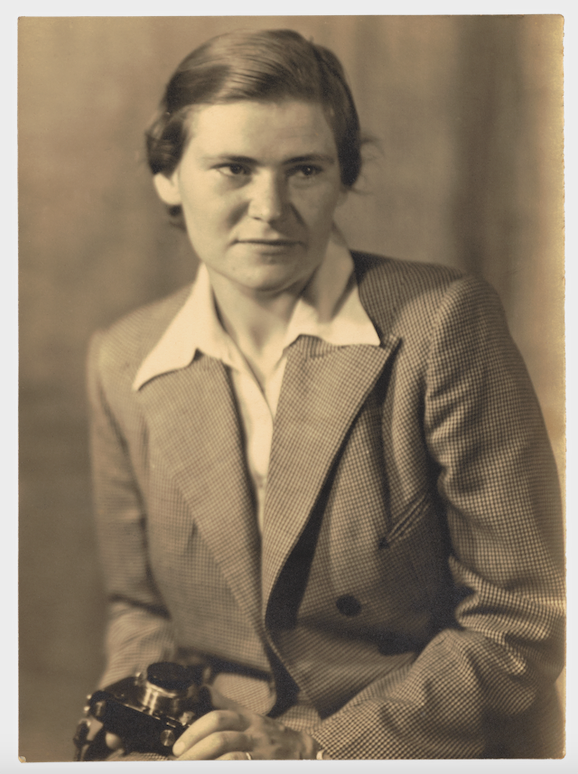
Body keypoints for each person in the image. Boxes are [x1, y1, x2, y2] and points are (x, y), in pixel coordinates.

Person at [84, 28, 565, 760]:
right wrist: (135, 739)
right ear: (167, 175)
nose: (271, 207)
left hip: (411, 745)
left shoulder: (442, 321)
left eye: (303, 170)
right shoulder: (123, 358)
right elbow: (141, 609)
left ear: (344, 177)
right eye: (234, 169)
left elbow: (520, 618)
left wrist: (314, 751)